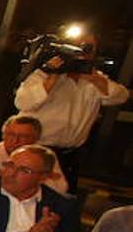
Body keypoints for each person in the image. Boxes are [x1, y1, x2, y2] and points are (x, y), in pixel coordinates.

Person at [14, 36, 128, 184]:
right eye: (77, 46)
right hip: (36, 149)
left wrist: (93, 78)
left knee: (62, 201)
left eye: (89, 47)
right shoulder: (43, 75)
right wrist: (52, 76)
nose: (82, 50)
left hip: (69, 155)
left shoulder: (94, 80)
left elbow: (120, 96)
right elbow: (23, 103)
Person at [0, 115, 70, 194]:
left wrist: (5, 176)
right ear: (3, 135)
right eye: (10, 134)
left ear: (36, 139)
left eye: (23, 136)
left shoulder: (45, 154)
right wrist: (41, 177)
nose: (15, 141)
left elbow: (60, 189)